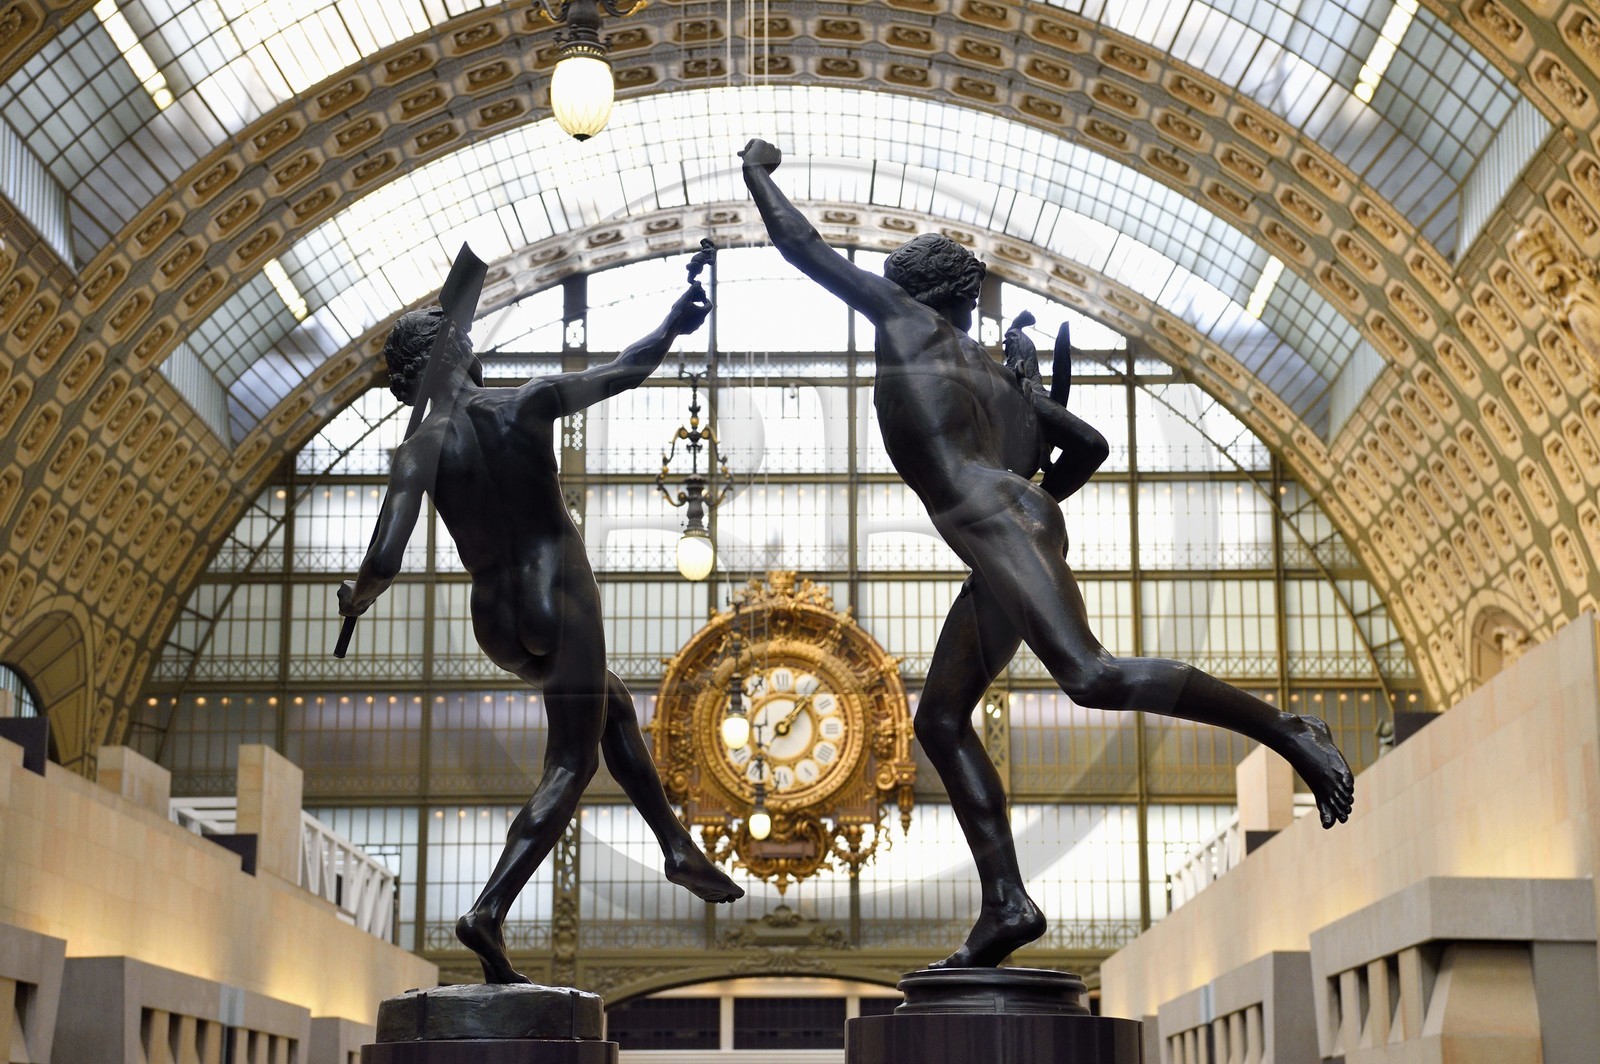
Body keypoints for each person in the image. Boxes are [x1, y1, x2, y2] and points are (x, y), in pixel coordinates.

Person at [740, 137, 1354, 969]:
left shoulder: (909, 325)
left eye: (892, 279)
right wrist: (1033, 494)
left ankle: (1286, 730)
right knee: (941, 718)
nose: (882, 288)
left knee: (1092, 676)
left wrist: (758, 174)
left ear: (915, 289)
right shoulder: (998, 375)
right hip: (1005, 526)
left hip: (998, 523)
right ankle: (1007, 905)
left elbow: (802, 248)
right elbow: (1091, 445)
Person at [339, 278, 743, 984]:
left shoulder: (419, 451)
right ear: (460, 354)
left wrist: (354, 598)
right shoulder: (521, 403)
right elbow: (624, 369)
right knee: (572, 761)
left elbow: (380, 563)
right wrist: (673, 322)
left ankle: (675, 845)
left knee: (609, 704)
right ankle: (489, 912)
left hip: (494, 620)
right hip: (557, 595)